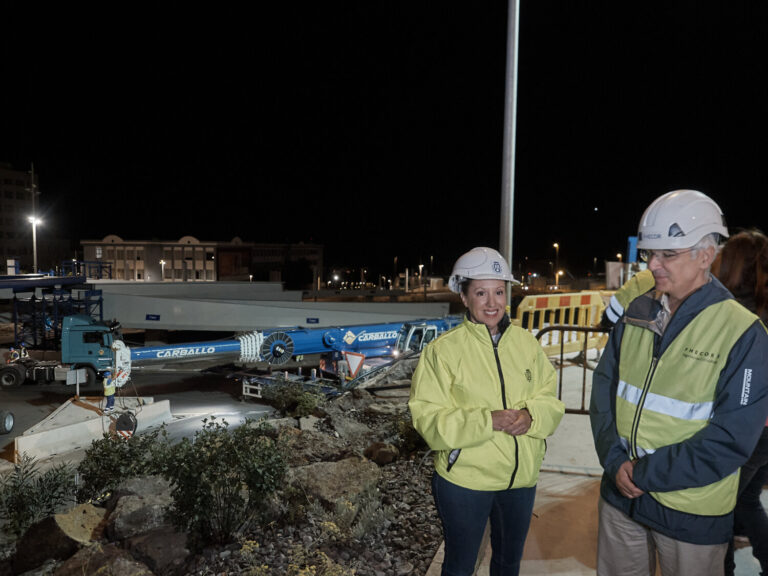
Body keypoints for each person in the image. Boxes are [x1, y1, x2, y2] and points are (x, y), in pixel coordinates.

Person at [590, 189, 768, 576]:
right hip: (619, 498)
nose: (653, 265)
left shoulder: (743, 333)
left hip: (690, 515)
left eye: (667, 254)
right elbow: (603, 388)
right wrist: (614, 461)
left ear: (706, 255)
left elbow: (732, 438)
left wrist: (643, 473)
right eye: (650, 254)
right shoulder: (637, 311)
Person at [409, 246, 565, 576]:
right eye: (481, 293)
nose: (492, 302)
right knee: (460, 567)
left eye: (499, 292)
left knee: (508, 564)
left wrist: (532, 416)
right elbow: (427, 418)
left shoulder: (526, 343)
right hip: (466, 482)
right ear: (464, 297)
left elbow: (549, 397)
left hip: (520, 480)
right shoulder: (442, 352)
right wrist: (487, 421)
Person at [713, 229, 768, 576]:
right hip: (763, 433)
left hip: (746, 431)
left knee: (717, 511)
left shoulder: (735, 313)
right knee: (746, 501)